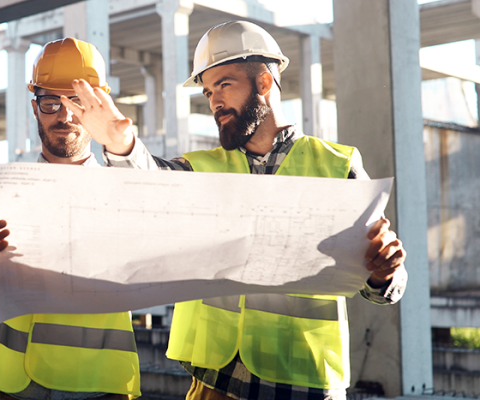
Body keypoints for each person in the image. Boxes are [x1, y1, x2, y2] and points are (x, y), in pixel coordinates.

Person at [63, 20, 408, 400]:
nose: (214, 101)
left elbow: (386, 289)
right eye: (208, 91)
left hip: (302, 385)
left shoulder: (337, 166)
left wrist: (383, 273)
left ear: (264, 83)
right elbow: (151, 187)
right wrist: (120, 142)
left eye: (224, 84)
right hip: (214, 383)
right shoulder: (201, 168)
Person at [0, 38, 140, 400]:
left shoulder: (126, 191)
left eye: (77, 102)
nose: (64, 116)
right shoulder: (1, 193)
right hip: (15, 385)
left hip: (103, 385)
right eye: (51, 102)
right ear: (36, 108)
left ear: (96, 106)